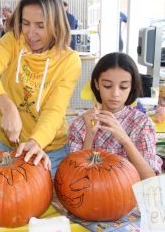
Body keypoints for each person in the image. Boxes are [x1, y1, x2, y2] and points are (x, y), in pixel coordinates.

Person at [0, 0, 81, 176]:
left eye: (41, 25)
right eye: (26, 23)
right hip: (9, 146)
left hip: (49, 150)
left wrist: (36, 141)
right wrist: (7, 107)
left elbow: (54, 110)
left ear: (56, 23)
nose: (31, 33)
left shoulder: (69, 60)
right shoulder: (13, 41)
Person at [68, 52, 163, 180]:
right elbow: (74, 177)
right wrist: (89, 136)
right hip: (91, 194)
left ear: (131, 87)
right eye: (107, 85)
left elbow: (150, 179)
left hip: (130, 195)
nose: (115, 94)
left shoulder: (142, 123)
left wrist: (125, 140)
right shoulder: (80, 124)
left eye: (123, 87)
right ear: (97, 84)